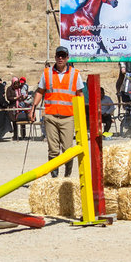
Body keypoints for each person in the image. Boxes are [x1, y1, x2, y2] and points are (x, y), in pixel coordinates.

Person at [29, 46, 84, 178]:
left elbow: (80, 95)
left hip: (68, 117)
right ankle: (54, 179)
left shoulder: (75, 74)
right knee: (53, 150)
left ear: (67, 58)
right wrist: (33, 108)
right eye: (58, 55)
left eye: (63, 56)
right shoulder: (47, 73)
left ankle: (67, 176)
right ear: (55, 57)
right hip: (50, 116)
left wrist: (81, 116)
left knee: (67, 150)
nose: (60, 58)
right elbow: (40, 92)